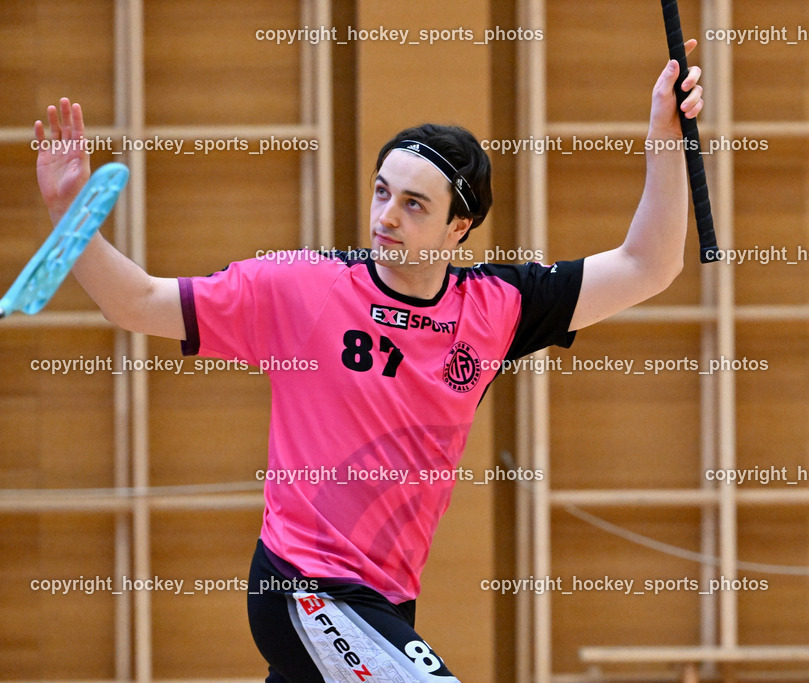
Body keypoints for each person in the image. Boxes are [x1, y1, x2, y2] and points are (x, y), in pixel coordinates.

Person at [34, 43, 704, 683]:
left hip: (384, 601)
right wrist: (70, 215)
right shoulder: (299, 287)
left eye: (414, 205)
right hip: (304, 586)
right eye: (382, 192)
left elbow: (649, 264)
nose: (386, 216)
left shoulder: (495, 307)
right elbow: (139, 301)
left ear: (458, 229)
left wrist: (664, 135)